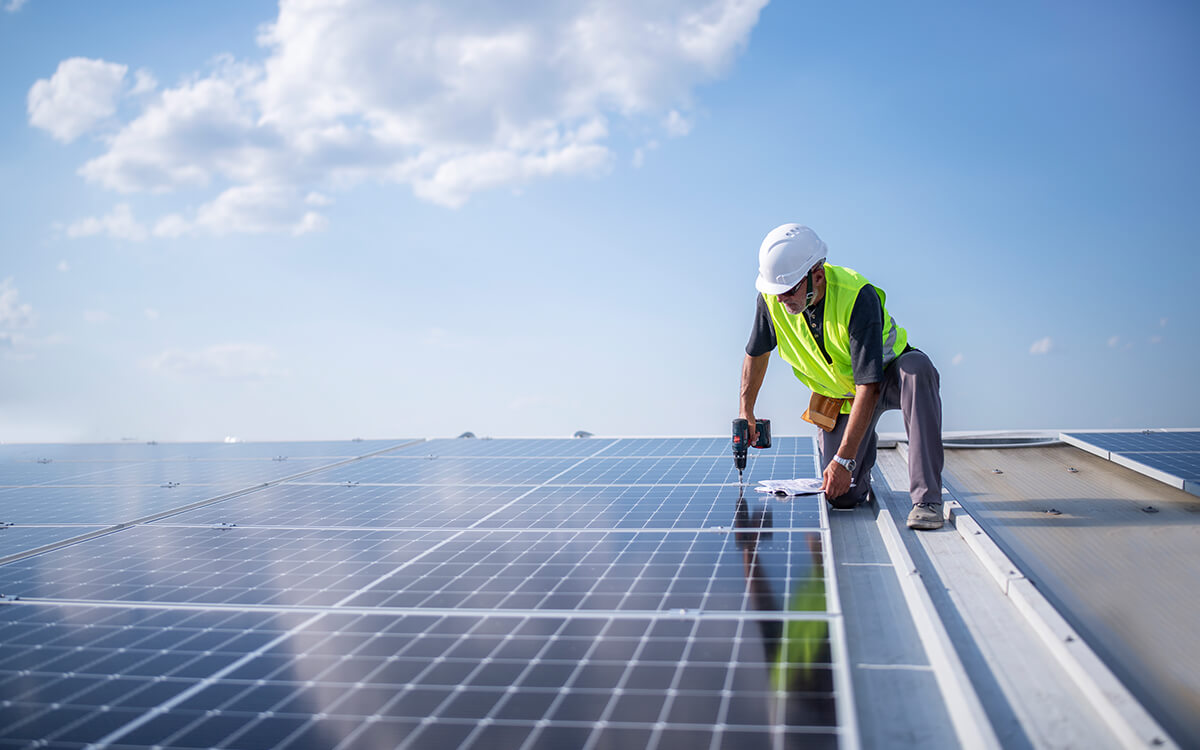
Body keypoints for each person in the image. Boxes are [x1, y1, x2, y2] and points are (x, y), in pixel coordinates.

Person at [738, 223, 945, 530]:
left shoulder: (856, 295)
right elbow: (757, 353)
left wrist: (845, 460)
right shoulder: (772, 299)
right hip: (839, 396)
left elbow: (869, 385)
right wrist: (747, 410)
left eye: (789, 291)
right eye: (776, 292)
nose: (781, 300)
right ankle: (862, 454)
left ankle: (927, 499)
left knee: (918, 371)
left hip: (886, 379)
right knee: (842, 496)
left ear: (817, 276)